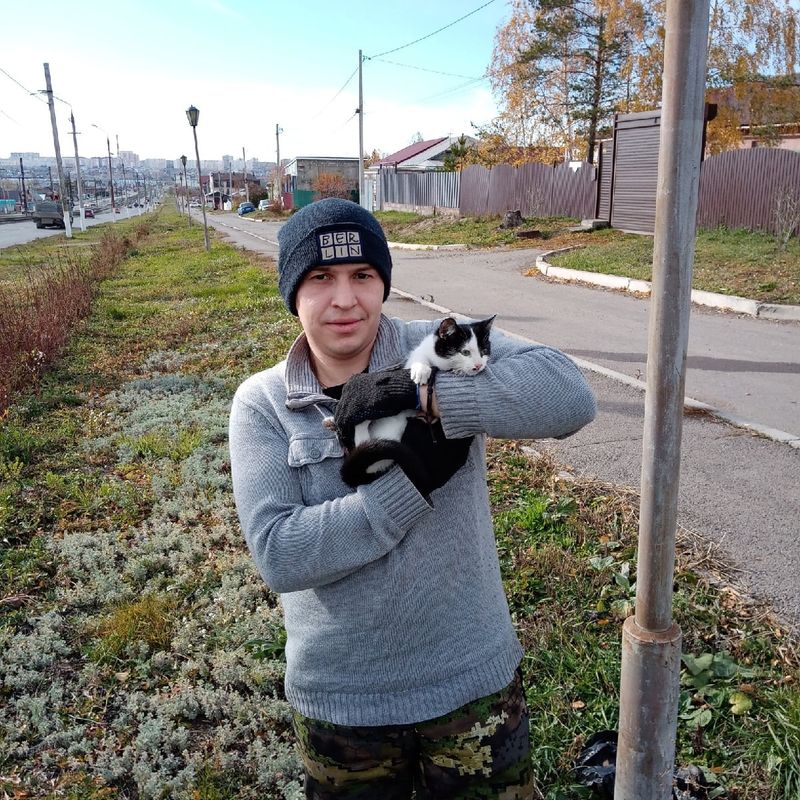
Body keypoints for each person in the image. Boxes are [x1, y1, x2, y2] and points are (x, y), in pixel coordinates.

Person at [229, 198, 596, 799]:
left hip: (469, 685)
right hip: (343, 708)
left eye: (363, 276)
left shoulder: (437, 344)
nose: (345, 299)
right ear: (291, 291)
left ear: (384, 283)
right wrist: (407, 488)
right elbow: (280, 555)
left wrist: (432, 401)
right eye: (320, 278)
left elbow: (569, 396)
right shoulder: (264, 403)